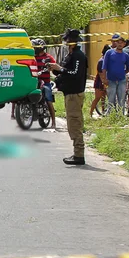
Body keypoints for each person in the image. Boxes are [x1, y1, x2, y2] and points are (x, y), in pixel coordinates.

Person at [48, 28, 88, 165]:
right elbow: (64, 74)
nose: (66, 44)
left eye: (68, 41)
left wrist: (60, 69)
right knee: (71, 123)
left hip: (74, 95)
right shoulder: (69, 56)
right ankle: (77, 153)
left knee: (75, 123)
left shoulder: (78, 56)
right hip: (68, 93)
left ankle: (79, 155)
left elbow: (75, 74)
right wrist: (55, 71)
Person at [31, 38, 58, 129]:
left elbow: (54, 66)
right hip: (34, 81)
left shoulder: (48, 57)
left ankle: (53, 122)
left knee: (48, 100)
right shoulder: (32, 57)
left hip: (45, 82)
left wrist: (51, 67)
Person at [103, 34, 129, 112]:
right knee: (111, 100)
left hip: (122, 80)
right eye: (118, 42)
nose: (120, 44)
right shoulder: (109, 52)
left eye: (121, 42)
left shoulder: (126, 55)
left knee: (121, 100)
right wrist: (104, 78)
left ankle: (121, 116)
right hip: (111, 80)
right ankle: (110, 116)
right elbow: (104, 66)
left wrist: (122, 72)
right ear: (115, 43)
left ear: (124, 44)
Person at [90, 43, 110, 118]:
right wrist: (104, 83)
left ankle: (103, 111)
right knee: (98, 97)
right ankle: (91, 113)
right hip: (100, 81)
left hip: (105, 80)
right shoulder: (102, 61)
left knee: (103, 98)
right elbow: (101, 74)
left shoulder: (106, 60)